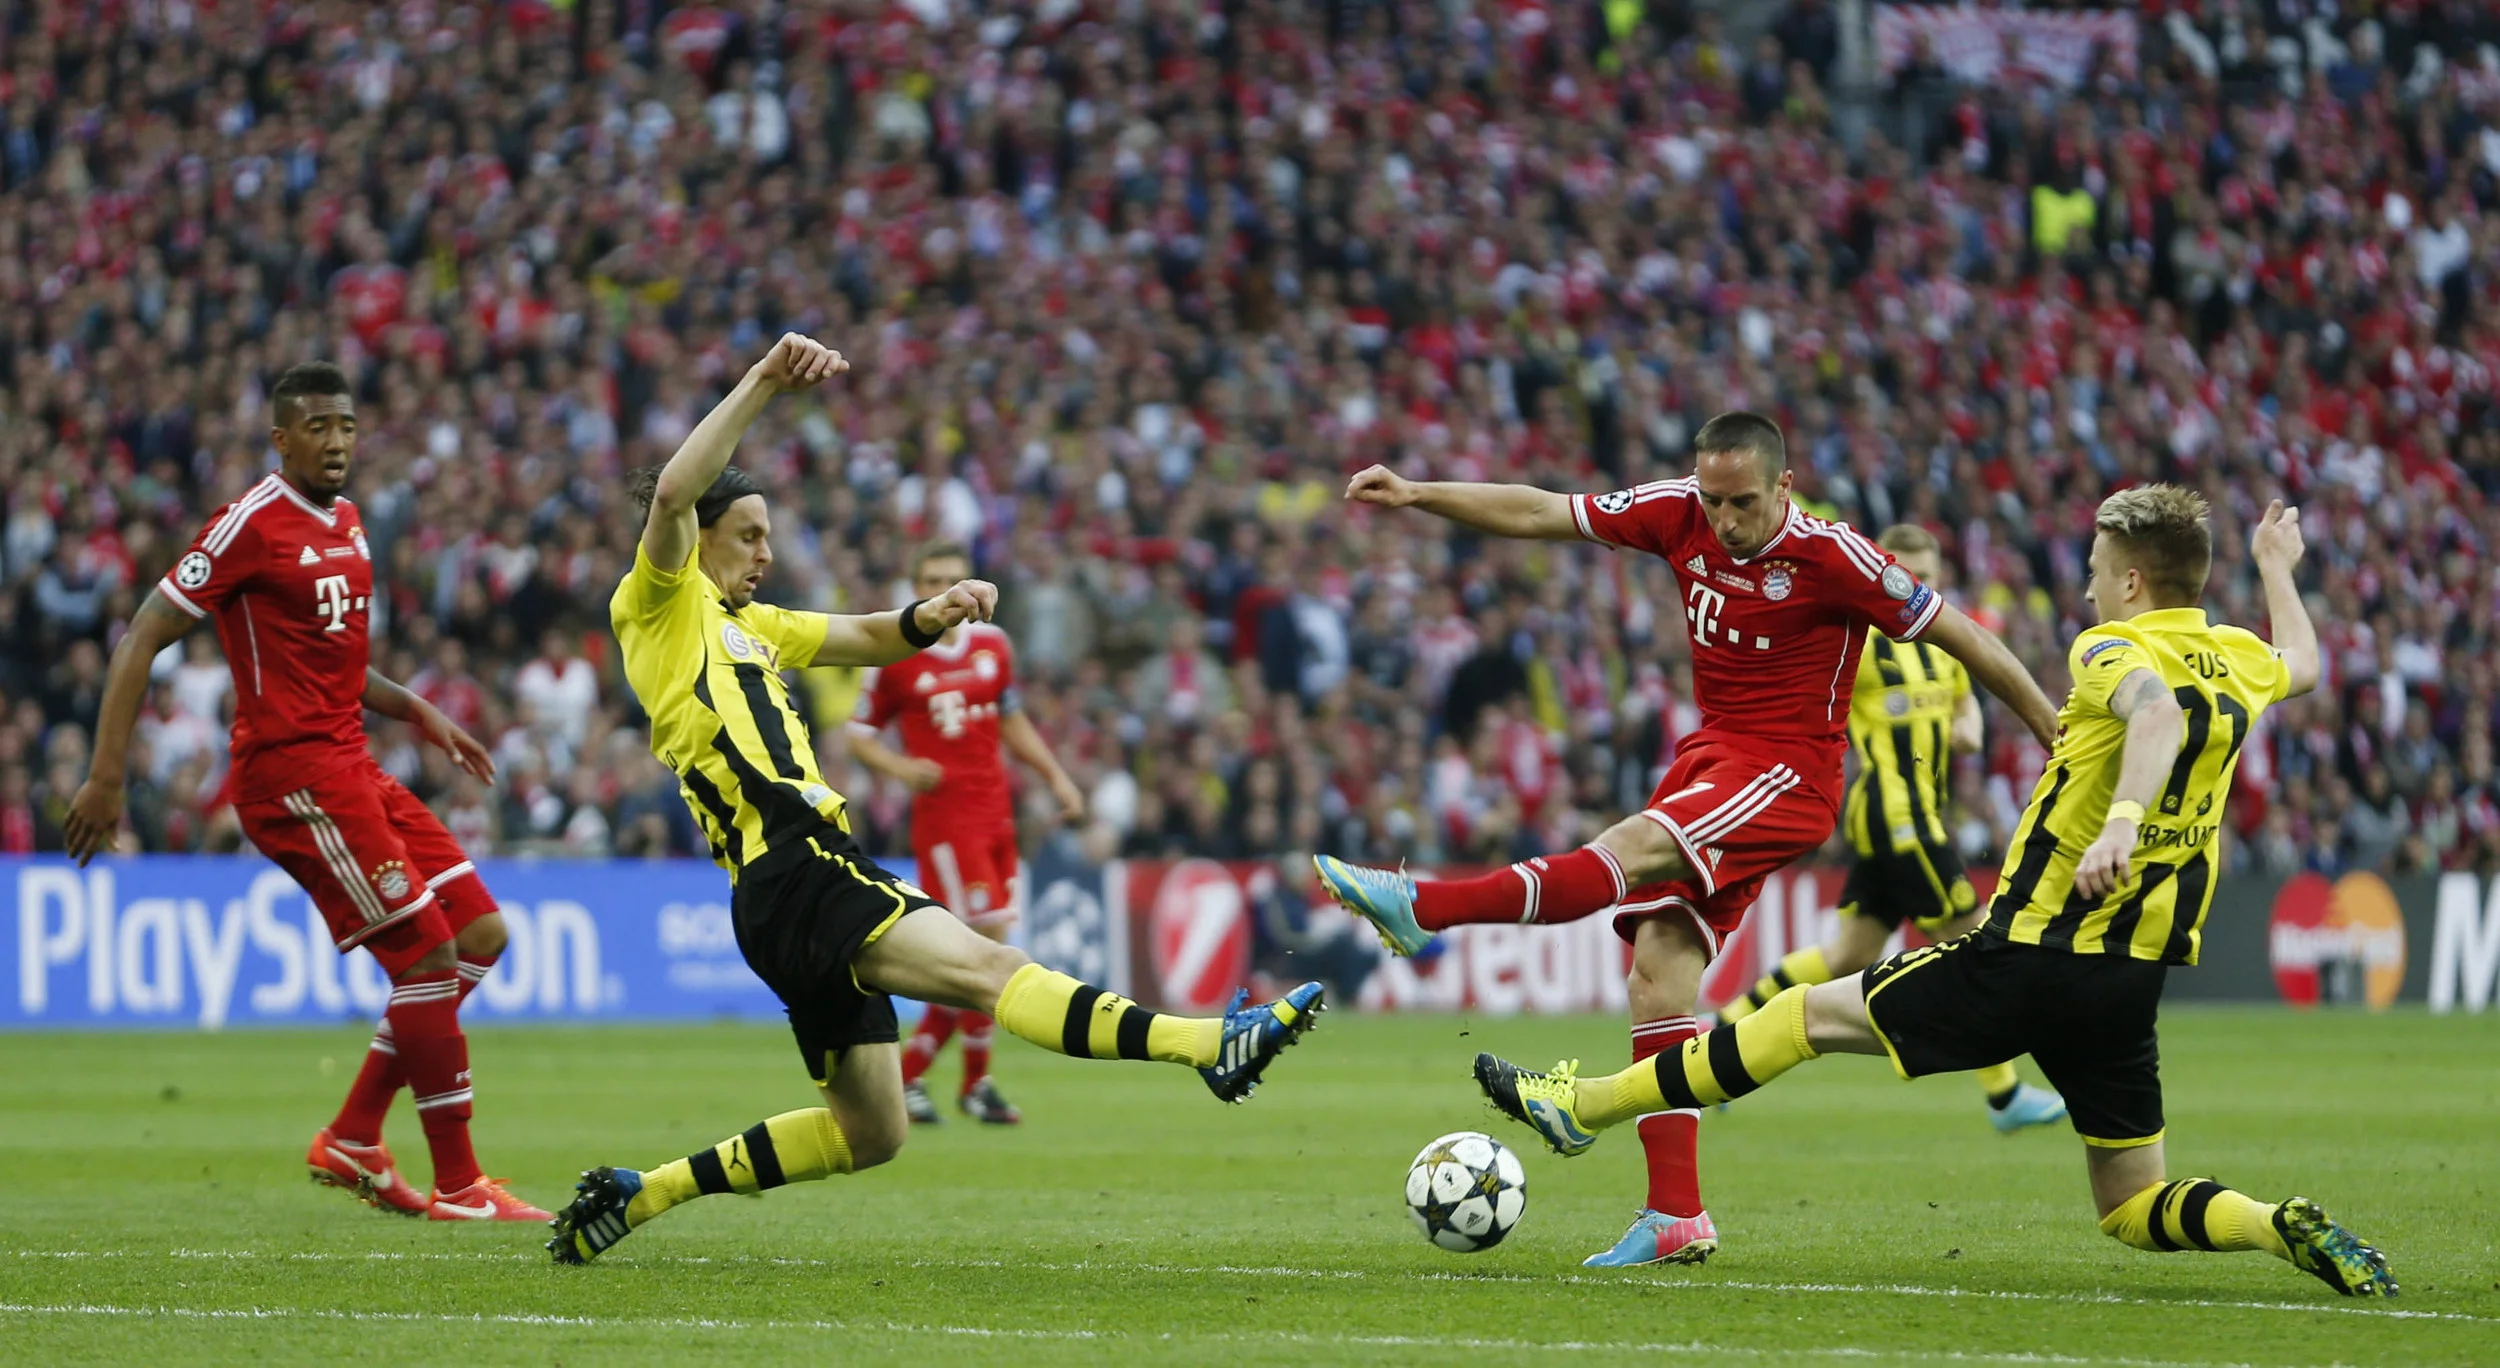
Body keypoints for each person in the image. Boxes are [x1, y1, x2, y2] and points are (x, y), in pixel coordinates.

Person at [1473, 491, 2397, 1300]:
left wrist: (2120, 822)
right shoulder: (2237, 656)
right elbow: (2303, 660)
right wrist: (2277, 569)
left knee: (1799, 1018)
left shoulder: (2111, 648)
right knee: (2132, 1204)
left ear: (2130, 583)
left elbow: (2153, 714)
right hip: (2128, 978)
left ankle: (1584, 1105)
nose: (2085, 591)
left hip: (2032, 951)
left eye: (2093, 572)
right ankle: (2272, 1224)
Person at [550, 335, 1324, 1265]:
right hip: (799, 863)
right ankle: (1206, 1046)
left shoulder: (753, 625)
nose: (765, 552)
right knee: (992, 968)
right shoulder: (659, 601)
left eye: (769, 535)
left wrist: (937, 612)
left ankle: (641, 1193)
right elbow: (676, 491)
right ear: (701, 537)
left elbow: (871, 637)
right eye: (749, 534)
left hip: (778, 892)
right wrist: (762, 380)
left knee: (872, 1131)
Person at [1313, 412, 2060, 1268]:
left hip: (1785, 774)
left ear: (1784, 486)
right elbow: (1541, 511)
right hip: (1713, 758)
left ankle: (1424, 908)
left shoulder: (1836, 557)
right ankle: (1676, 1213)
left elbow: (1967, 637)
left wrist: (2051, 729)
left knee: (1629, 848)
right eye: (1713, 500)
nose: (1724, 520)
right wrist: (1419, 493)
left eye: (1743, 502)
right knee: (1658, 973)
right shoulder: (1677, 511)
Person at [64, 361, 547, 1222]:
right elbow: (140, 636)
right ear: (281, 439)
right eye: (317, 427)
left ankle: (356, 1137)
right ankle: (460, 1185)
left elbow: (342, 665)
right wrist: (106, 776)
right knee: (426, 957)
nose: (335, 442)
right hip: (293, 777)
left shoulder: (350, 522)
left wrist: (420, 711)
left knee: (479, 932)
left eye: (346, 426)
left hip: (351, 763)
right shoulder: (249, 524)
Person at [1715, 523, 2068, 1133]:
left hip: (1914, 815)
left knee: (1848, 953)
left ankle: (1723, 1031)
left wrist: (1967, 728)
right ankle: (2004, 1093)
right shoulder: (1860, 643)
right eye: (1907, 576)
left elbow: (1966, 711)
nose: (1916, 589)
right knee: (1976, 941)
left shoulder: (1945, 645)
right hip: (1895, 815)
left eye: (1928, 578)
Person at [847, 539, 1088, 1126]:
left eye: (953, 579)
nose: (945, 591)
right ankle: (945, 1081)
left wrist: (1055, 775)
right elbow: (857, 735)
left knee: (985, 956)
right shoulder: (897, 652)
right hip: (948, 826)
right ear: (917, 588)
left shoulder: (993, 644)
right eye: (932, 580)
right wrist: (902, 769)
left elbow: (1011, 719)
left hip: (997, 816)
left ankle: (936, 1080)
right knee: (985, 955)